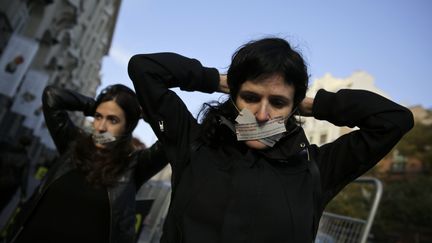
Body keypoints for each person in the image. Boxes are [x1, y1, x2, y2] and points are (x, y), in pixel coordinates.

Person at [127, 37, 414, 243]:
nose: (262, 115)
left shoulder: (316, 168)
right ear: (234, 97)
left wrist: (317, 105)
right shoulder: (194, 143)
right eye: (251, 97)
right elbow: (144, 69)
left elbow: (394, 120)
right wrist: (215, 79)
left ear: (294, 107)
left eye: (277, 102)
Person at [5, 84, 168, 243]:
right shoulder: (73, 145)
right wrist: (95, 105)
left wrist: (149, 115)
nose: (101, 127)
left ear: (128, 126)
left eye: (112, 120)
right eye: (98, 117)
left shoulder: (134, 166)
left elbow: (170, 136)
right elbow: (52, 96)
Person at [0, 136, 31, 213]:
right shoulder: (25, 159)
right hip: (9, 186)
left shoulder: (6, 151)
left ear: (18, 141)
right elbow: (24, 178)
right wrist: (23, 194)